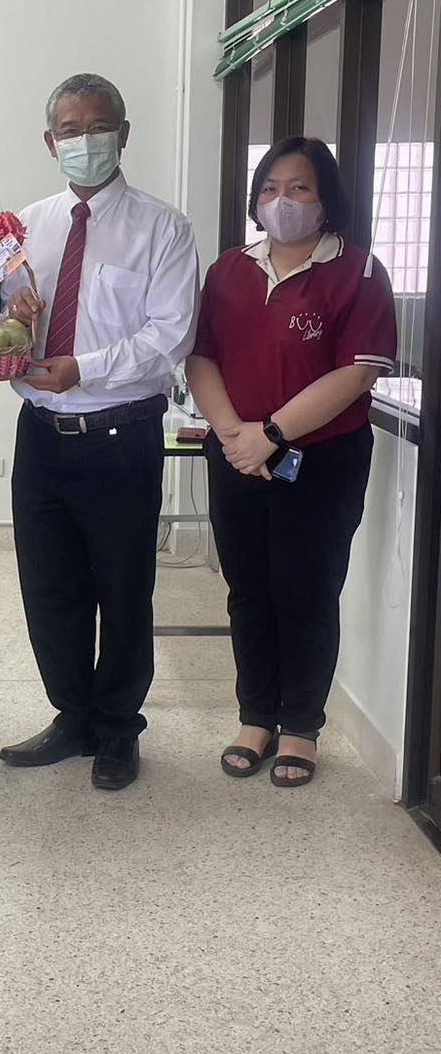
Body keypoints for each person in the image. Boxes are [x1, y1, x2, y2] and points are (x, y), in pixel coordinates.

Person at [0, 73, 199, 791]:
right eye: (70, 130)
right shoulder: (26, 227)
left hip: (121, 436)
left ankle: (117, 728)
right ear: (50, 142)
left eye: (97, 126)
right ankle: (73, 716)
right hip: (39, 434)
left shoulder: (163, 229)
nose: (84, 140)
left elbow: (170, 336)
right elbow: (10, 324)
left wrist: (83, 368)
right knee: (48, 586)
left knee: (122, 587)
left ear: (124, 133)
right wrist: (15, 317)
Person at [186, 137, 397, 788]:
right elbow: (201, 357)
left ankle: (301, 726)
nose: (284, 201)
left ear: (326, 200)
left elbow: (357, 374)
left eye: (300, 188)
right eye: (271, 189)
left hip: (322, 459)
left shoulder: (359, 272)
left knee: (306, 591)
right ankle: (256, 718)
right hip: (236, 454)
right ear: (256, 200)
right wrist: (235, 435)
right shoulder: (229, 270)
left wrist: (271, 433)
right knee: (247, 590)